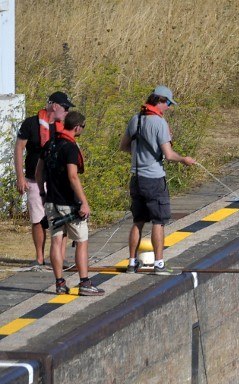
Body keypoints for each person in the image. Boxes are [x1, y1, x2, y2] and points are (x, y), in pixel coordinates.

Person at [118, 85, 196, 275]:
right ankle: (159, 264)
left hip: (136, 178)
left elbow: (124, 146)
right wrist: (184, 160)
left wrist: (139, 154)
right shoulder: (159, 123)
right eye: (168, 103)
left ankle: (131, 262)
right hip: (153, 179)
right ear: (160, 101)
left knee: (138, 220)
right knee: (158, 221)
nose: (169, 107)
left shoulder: (135, 119)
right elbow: (168, 155)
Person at [35, 111, 103, 296]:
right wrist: (84, 202)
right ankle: (84, 283)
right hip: (69, 203)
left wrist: (42, 193)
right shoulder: (70, 148)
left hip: (51, 201)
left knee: (56, 241)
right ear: (77, 127)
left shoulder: (50, 144)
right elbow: (73, 176)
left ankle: (59, 283)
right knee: (81, 241)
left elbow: (38, 172)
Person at [13, 91, 74, 271]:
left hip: (57, 181)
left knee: (60, 218)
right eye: (65, 108)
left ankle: (59, 258)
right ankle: (39, 258)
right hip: (33, 178)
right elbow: (18, 148)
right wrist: (20, 176)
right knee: (38, 219)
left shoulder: (63, 126)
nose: (67, 112)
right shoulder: (30, 124)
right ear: (54, 106)